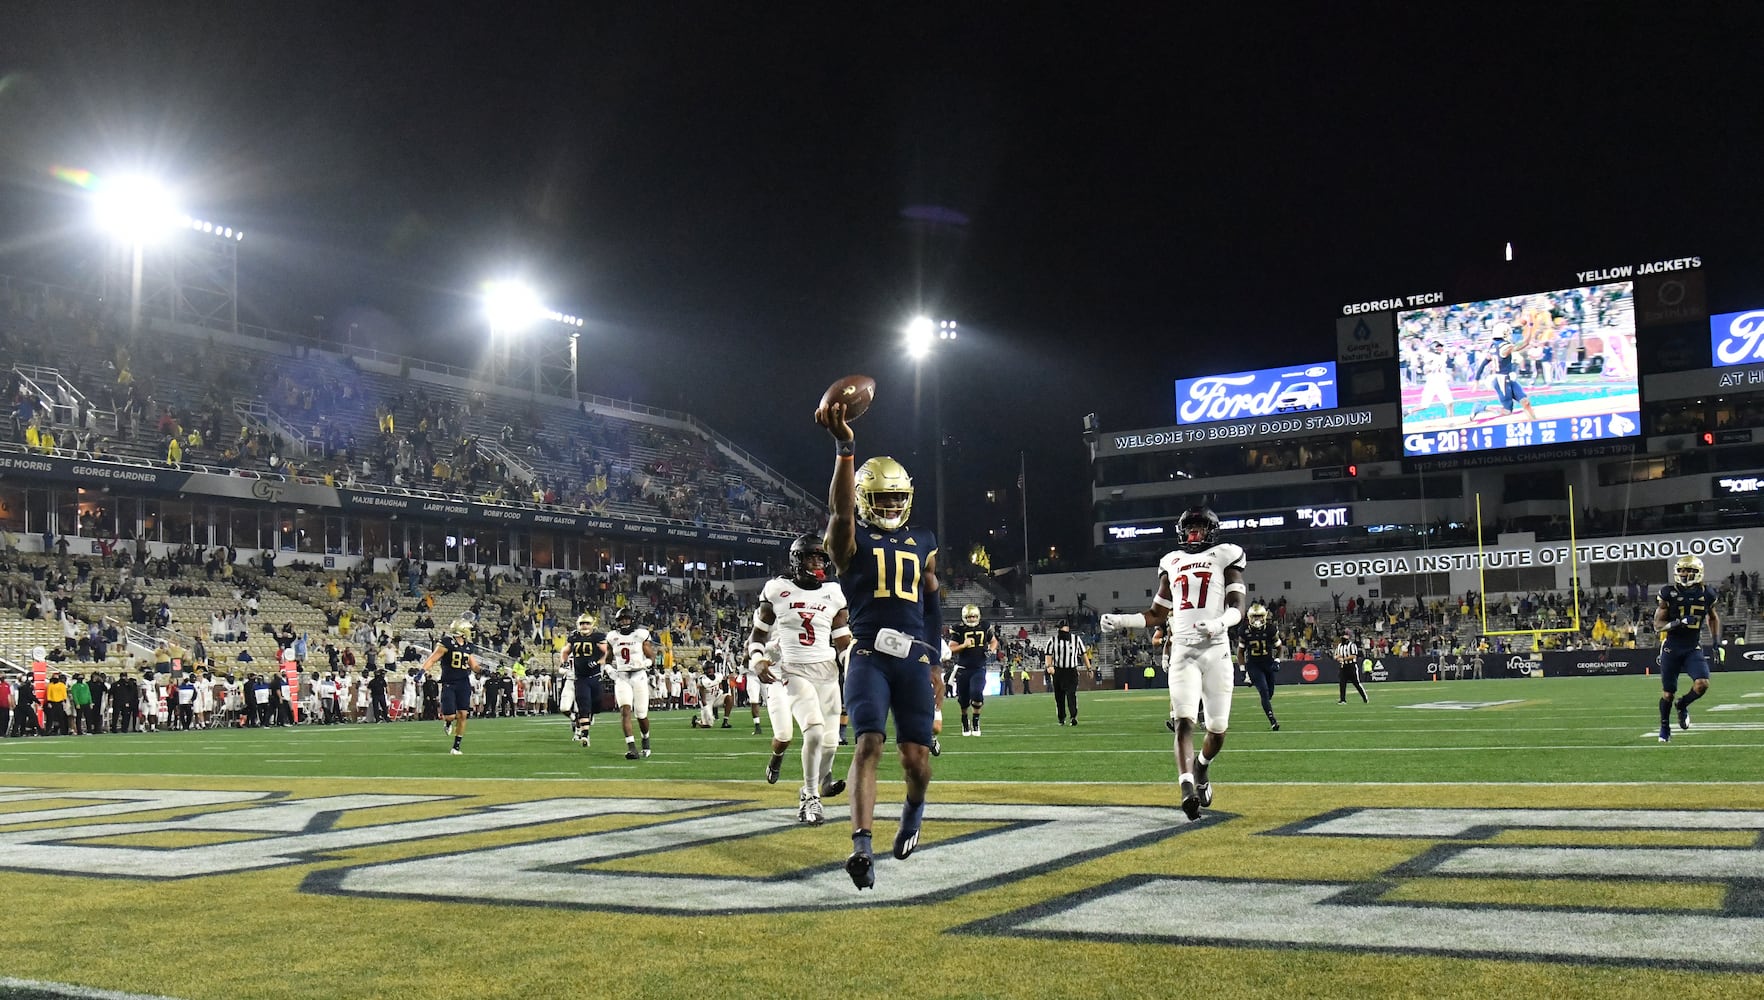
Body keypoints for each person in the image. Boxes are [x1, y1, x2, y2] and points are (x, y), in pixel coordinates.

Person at [816, 398, 941, 890]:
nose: (889, 506)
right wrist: (846, 449)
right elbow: (841, 514)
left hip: (911, 658)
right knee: (867, 744)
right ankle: (861, 846)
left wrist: (932, 655)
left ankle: (914, 812)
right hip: (867, 654)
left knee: (917, 762)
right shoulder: (849, 539)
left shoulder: (925, 541)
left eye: (895, 499)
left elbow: (931, 601)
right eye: (881, 499)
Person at [1102, 507, 1246, 821]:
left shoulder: (1227, 555)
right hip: (1183, 651)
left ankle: (1202, 768)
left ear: (1210, 531)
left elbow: (1238, 606)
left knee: (1217, 731)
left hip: (1217, 650)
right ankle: (1186, 789)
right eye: (1190, 529)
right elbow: (1156, 614)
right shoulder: (1172, 561)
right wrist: (1122, 620)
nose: (1194, 534)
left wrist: (1220, 624)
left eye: (1199, 528)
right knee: (1183, 722)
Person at [750, 533, 852, 826]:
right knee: (814, 732)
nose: (818, 563)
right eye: (812, 557)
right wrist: (757, 658)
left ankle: (814, 786)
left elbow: (842, 639)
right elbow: (758, 634)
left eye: (821, 558)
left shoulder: (833, 591)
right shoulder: (777, 589)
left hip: (827, 672)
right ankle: (810, 798)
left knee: (830, 744)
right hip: (793, 669)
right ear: (797, 560)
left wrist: (852, 661)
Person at [1655, 554, 1719, 742]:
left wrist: (1716, 641)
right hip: (1672, 647)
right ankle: (1665, 727)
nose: (1684, 574)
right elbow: (1657, 626)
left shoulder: (1708, 594)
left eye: (1688, 570)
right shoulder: (1669, 593)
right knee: (1668, 693)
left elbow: (1713, 618)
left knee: (1702, 684)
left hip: (1692, 647)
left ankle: (1682, 705)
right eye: (1681, 570)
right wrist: (1678, 623)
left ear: (1697, 572)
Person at [420, 618, 484, 755]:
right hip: (449, 682)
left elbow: (473, 665)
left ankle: (456, 747)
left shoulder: (468, 646)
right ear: (462, 631)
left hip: (463, 683)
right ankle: (448, 723)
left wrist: (482, 670)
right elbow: (432, 658)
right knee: (449, 715)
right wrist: (422, 671)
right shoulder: (447, 643)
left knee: (463, 714)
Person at [605, 607, 655, 760]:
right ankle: (632, 747)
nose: (624, 622)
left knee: (641, 715)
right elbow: (607, 658)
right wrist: (608, 668)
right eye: (622, 619)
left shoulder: (640, 635)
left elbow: (651, 655)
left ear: (632, 620)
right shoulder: (612, 637)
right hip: (622, 677)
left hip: (639, 675)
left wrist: (648, 662)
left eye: (627, 619)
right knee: (625, 711)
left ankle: (645, 738)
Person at [949, 604, 997, 736]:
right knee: (963, 700)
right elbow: (951, 649)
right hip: (963, 668)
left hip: (979, 668)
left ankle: (975, 721)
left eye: (974, 616)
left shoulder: (985, 626)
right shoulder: (958, 629)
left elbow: (994, 641)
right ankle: (965, 720)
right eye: (969, 617)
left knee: (977, 694)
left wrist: (991, 650)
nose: (971, 619)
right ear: (964, 617)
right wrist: (963, 645)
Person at [566, 613, 607, 747]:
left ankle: (591, 715)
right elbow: (565, 651)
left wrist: (597, 662)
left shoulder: (598, 637)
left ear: (592, 625)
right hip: (580, 678)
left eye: (587, 623)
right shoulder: (573, 638)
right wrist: (563, 662)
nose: (584, 626)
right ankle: (585, 735)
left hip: (595, 677)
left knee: (596, 705)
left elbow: (607, 653)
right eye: (582, 623)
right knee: (583, 706)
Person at [1239, 604, 1281, 731]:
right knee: (1264, 691)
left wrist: (1277, 661)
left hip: (1268, 663)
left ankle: (1267, 707)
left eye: (1259, 617)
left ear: (1264, 617)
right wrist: (1243, 670)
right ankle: (1272, 720)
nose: (1257, 619)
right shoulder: (1244, 630)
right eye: (1254, 617)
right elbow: (1240, 652)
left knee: (1270, 693)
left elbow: (1279, 647)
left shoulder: (1270, 629)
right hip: (1254, 665)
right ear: (1249, 618)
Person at [1044, 620, 1088, 725]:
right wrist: (1049, 666)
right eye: (1058, 628)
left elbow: (1083, 654)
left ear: (1067, 628)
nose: (1059, 630)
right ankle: (1061, 718)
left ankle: (1073, 716)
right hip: (1058, 671)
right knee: (1059, 697)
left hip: (1071, 671)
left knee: (1071, 695)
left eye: (1061, 627)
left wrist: (1089, 668)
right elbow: (1048, 654)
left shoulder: (1076, 639)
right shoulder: (1053, 640)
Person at [1334, 633, 1367, 705]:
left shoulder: (1352, 645)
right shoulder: (1339, 646)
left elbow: (1353, 656)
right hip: (1343, 666)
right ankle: (1343, 700)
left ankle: (1364, 697)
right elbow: (1337, 655)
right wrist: (1337, 658)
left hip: (1351, 666)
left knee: (1356, 684)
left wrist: (1343, 658)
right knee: (1342, 683)